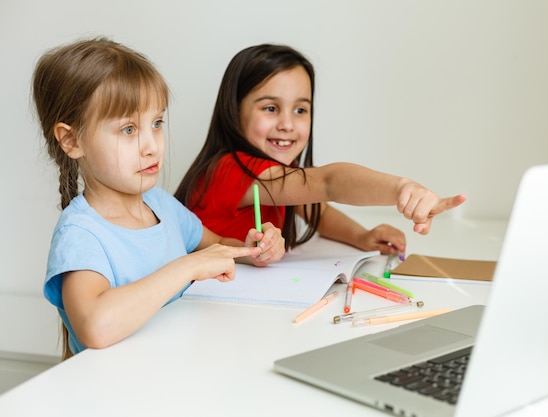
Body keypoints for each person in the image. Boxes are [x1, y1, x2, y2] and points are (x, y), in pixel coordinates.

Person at [32, 38, 285, 359]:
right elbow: (95, 325)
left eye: (157, 123)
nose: (152, 145)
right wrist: (186, 267)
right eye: (128, 129)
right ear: (71, 140)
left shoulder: (161, 205)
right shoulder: (80, 234)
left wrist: (254, 249)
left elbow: (217, 244)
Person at [175, 44, 465, 254]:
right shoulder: (231, 170)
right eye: (271, 108)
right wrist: (402, 188)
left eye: (301, 109)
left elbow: (319, 213)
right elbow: (328, 183)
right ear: (233, 110)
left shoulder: (275, 176)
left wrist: (362, 236)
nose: (288, 124)